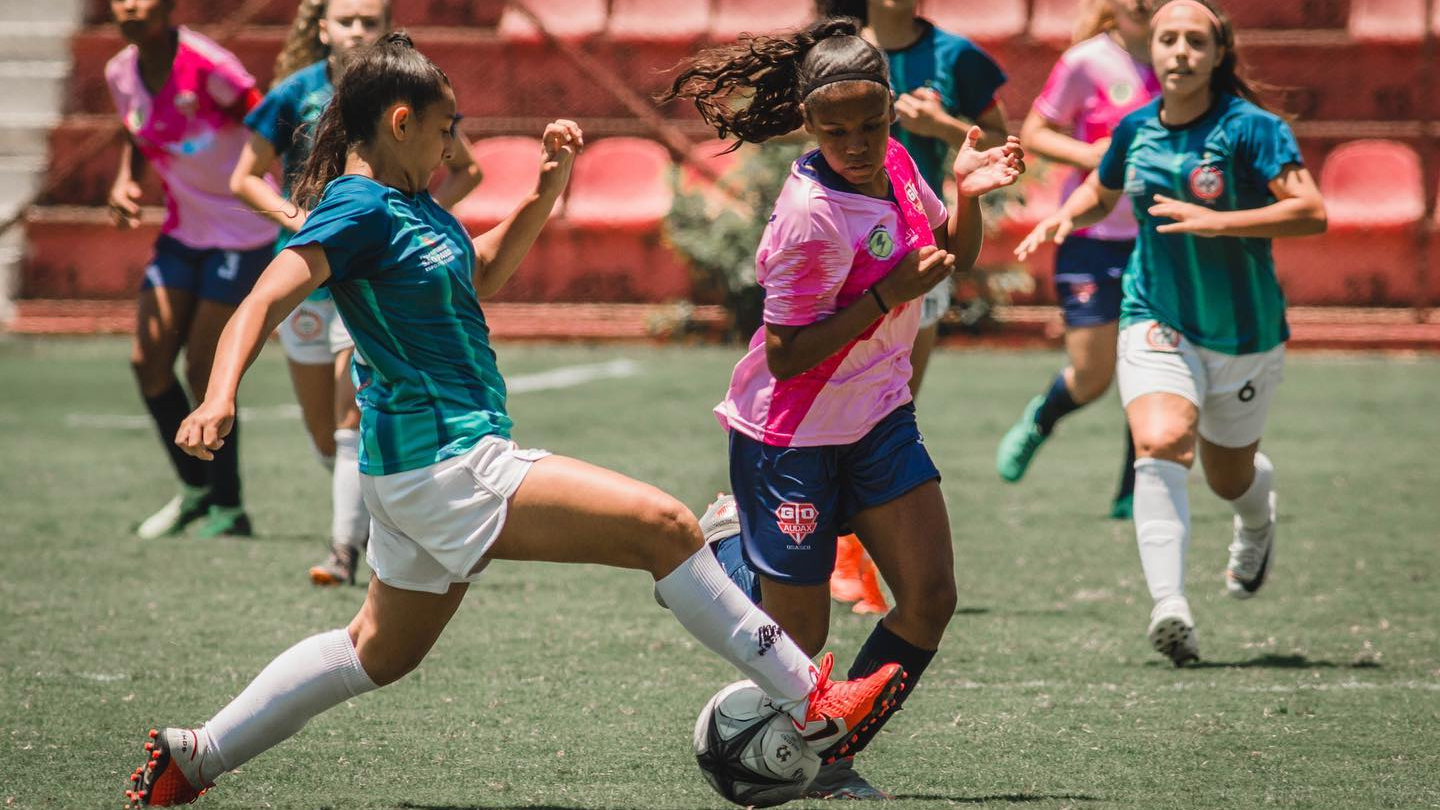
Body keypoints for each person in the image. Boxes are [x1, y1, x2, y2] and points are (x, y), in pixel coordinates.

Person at [124, 33, 907, 809]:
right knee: (666, 528)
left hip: (412, 470)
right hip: (448, 464)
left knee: (373, 651)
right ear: (401, 123)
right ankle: (812, 699)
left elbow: (481, 270)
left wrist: (546, 189)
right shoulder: (356, 207)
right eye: (447, 125)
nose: (454, 142)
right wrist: (219, 395)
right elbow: (266, 297)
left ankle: (194, 757)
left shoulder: (411, 208)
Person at [663, 17, 1024, 798]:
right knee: (802, 642)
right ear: (807, 122)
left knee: (929, 599)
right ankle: (725, 544)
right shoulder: (807, 218)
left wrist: (967, 191)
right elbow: (788, 354)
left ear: (891, 113)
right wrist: (886, 296)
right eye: (836, 130)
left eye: (872, 124)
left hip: (879, 414)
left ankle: (824, 760)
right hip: (792, 434)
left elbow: (950, 258)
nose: (857, 143)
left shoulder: (895, 163)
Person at [1016, 0, 1325, 666]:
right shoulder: (1135, 130)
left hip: (1244, 334)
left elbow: (1310, 212)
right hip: (1155, 313)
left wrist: (1220, 223)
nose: (1180, 51)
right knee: (1159, 441)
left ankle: (1255, 516)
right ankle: (1170, 606)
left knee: (1229, 476)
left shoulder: (1252, 129)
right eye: (1168, 40)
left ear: (1219, 55)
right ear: (1151, 52)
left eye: (1196, 41)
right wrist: (1061, 218)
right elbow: (1102, 191)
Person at [230, 0, 482, 586]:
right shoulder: (296, 94)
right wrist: (297, 219)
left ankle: (343, 550)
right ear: (321, 29)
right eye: (347, 21)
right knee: (325, 434)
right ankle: (374, 518)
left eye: (370, 22)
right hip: (308, 281)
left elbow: (467, 168)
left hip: (371, 280)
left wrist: (414, 231)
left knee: (352, 418)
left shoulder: (411, 99)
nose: (358, 31)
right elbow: (243, 175)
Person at [817, 0, 1010, 612]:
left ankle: (851, 552)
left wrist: (945, 129)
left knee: (888, 404)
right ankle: (811, 543)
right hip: (842, 254)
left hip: (920, 254)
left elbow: (1001, 144)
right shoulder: (836, 51)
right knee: (827, 401)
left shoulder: (957, 56)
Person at [107, 0, 278, 540]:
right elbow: (137, 134)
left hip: (243, 231)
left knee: (204, 369)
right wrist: (125, 181)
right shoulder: (120, 72)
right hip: (183, 232)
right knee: (147, 361)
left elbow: (268, 122)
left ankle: (230, 507)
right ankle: (196, 490)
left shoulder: (209, 67)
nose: (131, 5)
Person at [996, 0, 1160, 520]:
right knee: (1093, 375)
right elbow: (1038, 132)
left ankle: (1134, 489)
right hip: (1091, 234)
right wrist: (1094, 156)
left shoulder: (1185, 62)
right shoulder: (1087, 61)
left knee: (1151, 366)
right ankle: (1041, 419)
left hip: (1162, 239)